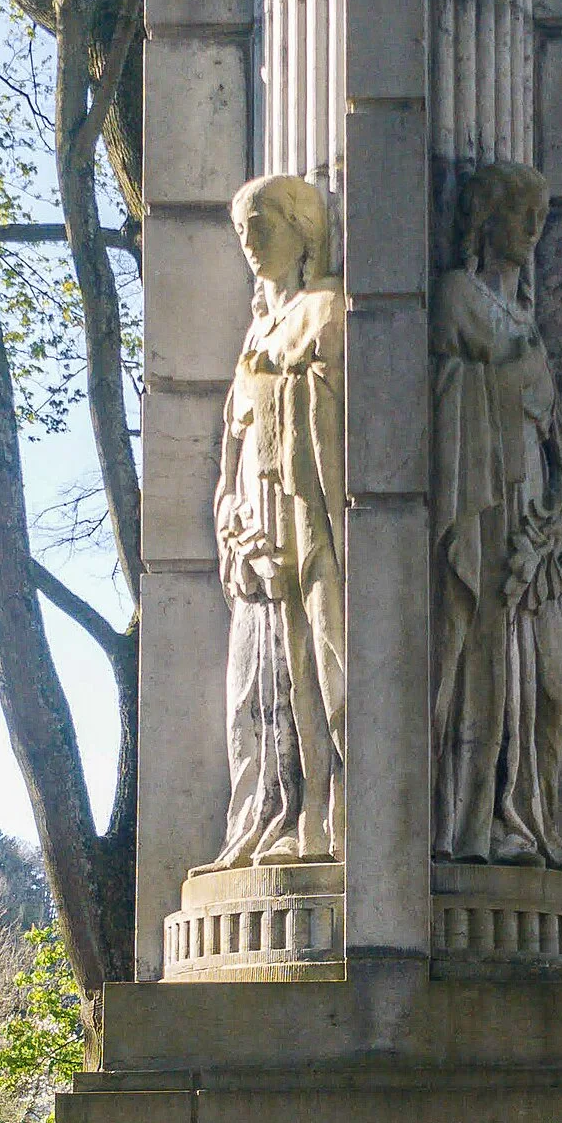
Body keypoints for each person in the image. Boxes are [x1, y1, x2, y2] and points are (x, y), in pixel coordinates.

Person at [431, 161, 562, 867]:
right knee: (484, 665)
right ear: (485, 218)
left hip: (531, 517)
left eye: (539, 218)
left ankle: (524, 815)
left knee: (549, 687)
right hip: (485, 499)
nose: (531, 231)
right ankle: (472, 826)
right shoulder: (459, 295)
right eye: (522, 214)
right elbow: (454, 387)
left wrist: (554, 511)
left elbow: (552, 432)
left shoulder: (523, 318)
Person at [213, 174, 346, 865]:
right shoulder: (254, 329)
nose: (250, 238)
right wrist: (231, 512)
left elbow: (327, 407)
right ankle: (270, 810)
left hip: (304, 517)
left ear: (304, 230)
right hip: (255, 530)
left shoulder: (325, 308)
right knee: (254, 686)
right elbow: (232, 446)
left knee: (314, 667)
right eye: (242, 227)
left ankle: (324, 821)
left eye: (263, 222)